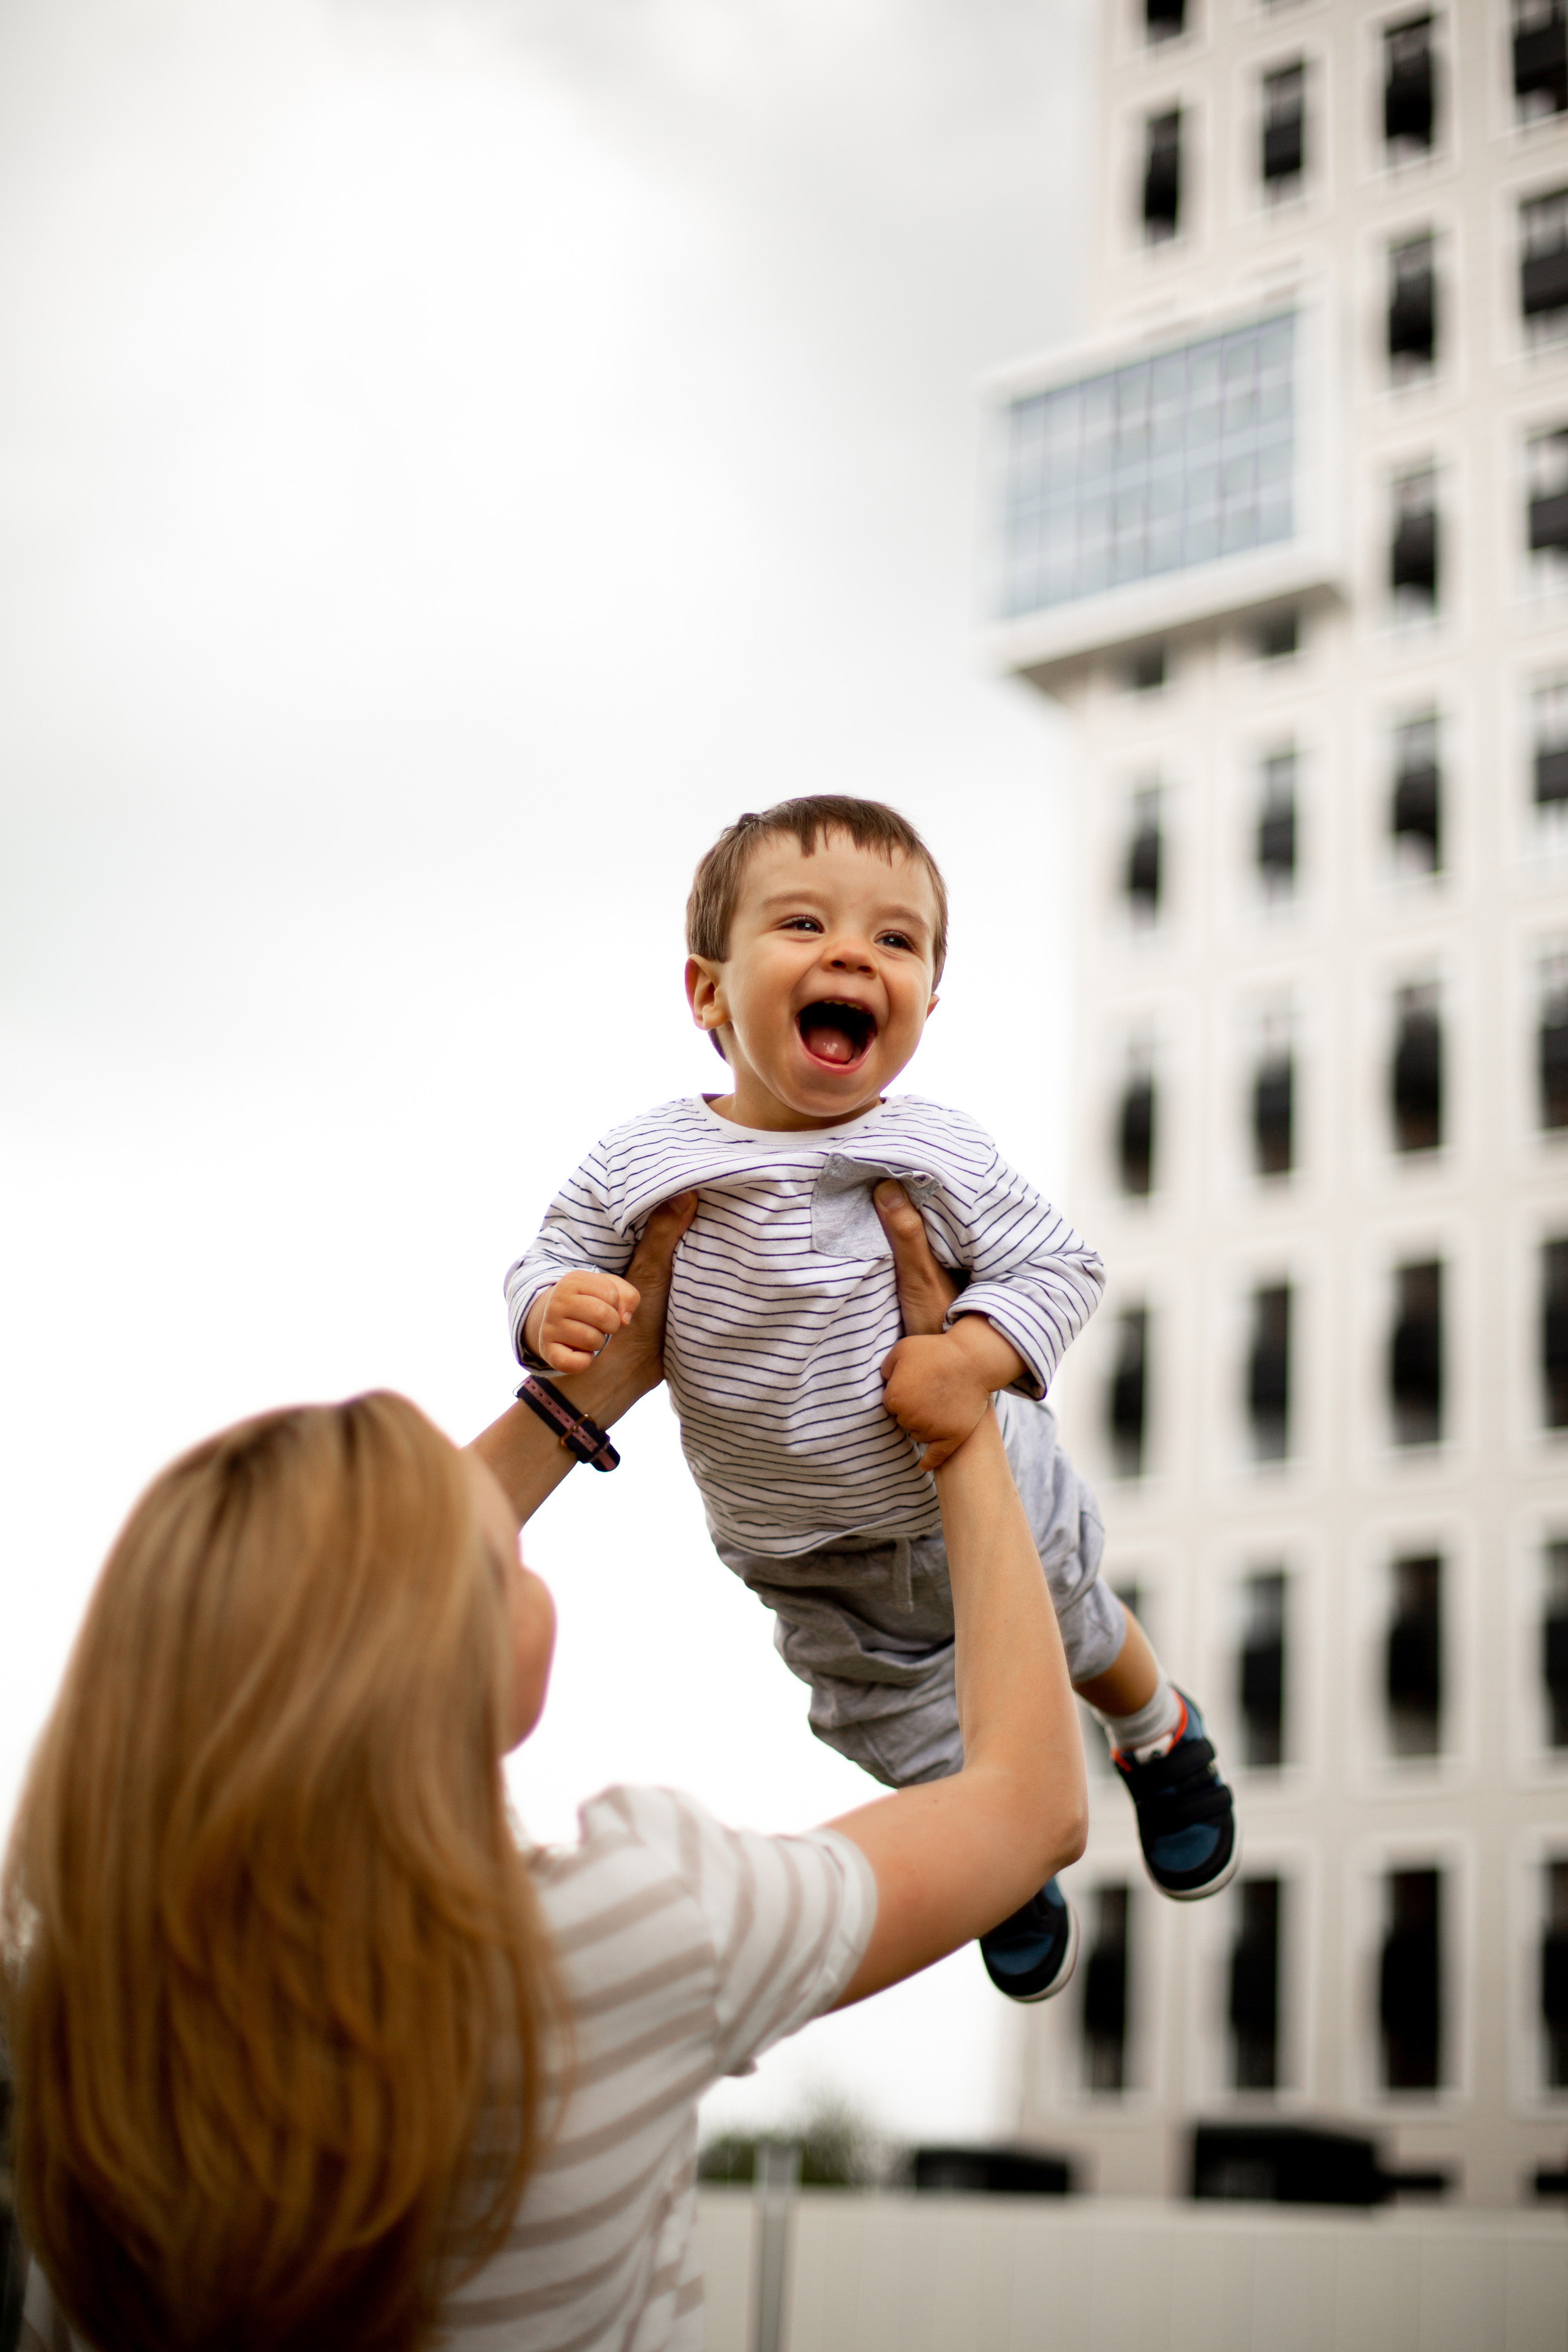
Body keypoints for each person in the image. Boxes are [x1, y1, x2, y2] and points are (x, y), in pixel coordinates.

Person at [5, 1194, 1086, 2352]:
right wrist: (958, 1426)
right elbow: (1030, 1808)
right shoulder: (616, 1943)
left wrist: (588, 1393)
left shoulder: (70, 1999)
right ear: (442, 1653)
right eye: (488, 1549)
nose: (505, 1529)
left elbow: (300, 1619)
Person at [507, 796, 1237, 2005]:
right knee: (891, 1723)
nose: (853, 954)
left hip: (981, 1493)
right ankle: (994, 1860)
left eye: (896, 942)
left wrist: (971, 1356)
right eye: (804, 923)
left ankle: (1157, 1732)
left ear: (923, 1016)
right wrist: (550, 1311)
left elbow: (1058, 1267)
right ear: (707, 992)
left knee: (1078, 1631)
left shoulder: (929, 1151)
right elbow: (552, 1253)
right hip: (799, 1544)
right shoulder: (642, 1161)